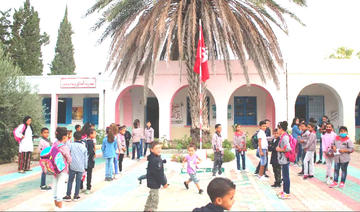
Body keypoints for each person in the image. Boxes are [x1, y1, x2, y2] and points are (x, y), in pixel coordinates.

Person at [63, 132, 88, 202]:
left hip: (72, 166)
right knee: (78, 181)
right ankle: (76, 195)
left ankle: (68, 195)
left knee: (70, 181)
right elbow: (86, 158)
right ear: (81, 138)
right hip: (80, 167)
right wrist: (85, 167)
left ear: (74, 138)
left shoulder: (71, 145)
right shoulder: (84, 147)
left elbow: (67, 152)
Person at [144, 142, 169, 212]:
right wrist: (164, 183)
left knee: (151, 197)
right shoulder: (157, 160)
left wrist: (162, 161)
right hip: (154, 182)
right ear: (151, 150)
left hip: (151, 181)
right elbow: (160, 174)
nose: (159, 150)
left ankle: (146, 210)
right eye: (157, 148)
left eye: (160, 148)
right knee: (154, 201)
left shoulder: (153, 157)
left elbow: (152, 160)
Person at [52, 127, 72, 209]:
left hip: (54, 168)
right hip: (62, 169)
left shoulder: (54, 144)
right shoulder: (64, 147)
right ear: (64, 137)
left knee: (55, 185)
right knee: (60, 186)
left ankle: (56, 204)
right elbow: (69, 159)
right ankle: (59, 207)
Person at [276, 121, 292, 199]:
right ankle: (285, 191)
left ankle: (287, 193)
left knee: (286, 176)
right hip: (283, 159)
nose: (277, 131)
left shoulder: (285, 137)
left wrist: (280, 149)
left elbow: (288, 148)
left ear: (281, 129)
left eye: (278, 129)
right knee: (284, 176)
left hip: (285, 159)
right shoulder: (283, 136)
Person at [80, 129, 96, 194]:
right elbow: (91, 152)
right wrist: (94, 155)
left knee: (82, 174)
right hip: (89, 161)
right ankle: (88, 188)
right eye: (94, 133)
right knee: (89, 175)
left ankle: (80, 187)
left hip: (83, 161)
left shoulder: (84, 141)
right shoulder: (90, 142)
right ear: (91, 134)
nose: (95, 135)